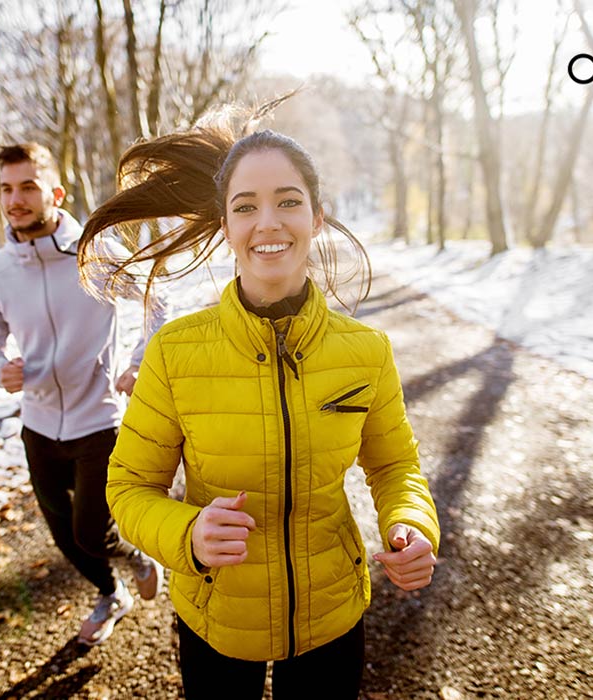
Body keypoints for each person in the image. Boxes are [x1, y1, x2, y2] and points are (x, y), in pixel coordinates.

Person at [77, 108, 440, 698]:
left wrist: (411, 524)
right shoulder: (174, 352)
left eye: (288, 201)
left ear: (317, 218)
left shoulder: (367, 351)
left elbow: (395, 466)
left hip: (332, 617)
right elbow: (127, 488)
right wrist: (188, 533)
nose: (266, 221)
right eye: (245, 205)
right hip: (216, 618)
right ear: (225, 224)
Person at [0, 143, 165, 646]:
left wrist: (138, 364)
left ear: (55, 193)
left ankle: (138, 558)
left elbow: (156, 301)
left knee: (90, 531)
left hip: (98, 420)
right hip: (37, 425)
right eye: (7, 189)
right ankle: (110, 593)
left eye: (28, 187)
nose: (16, 200)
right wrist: (0, 370)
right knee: (64, 536)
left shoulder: (95, 254)